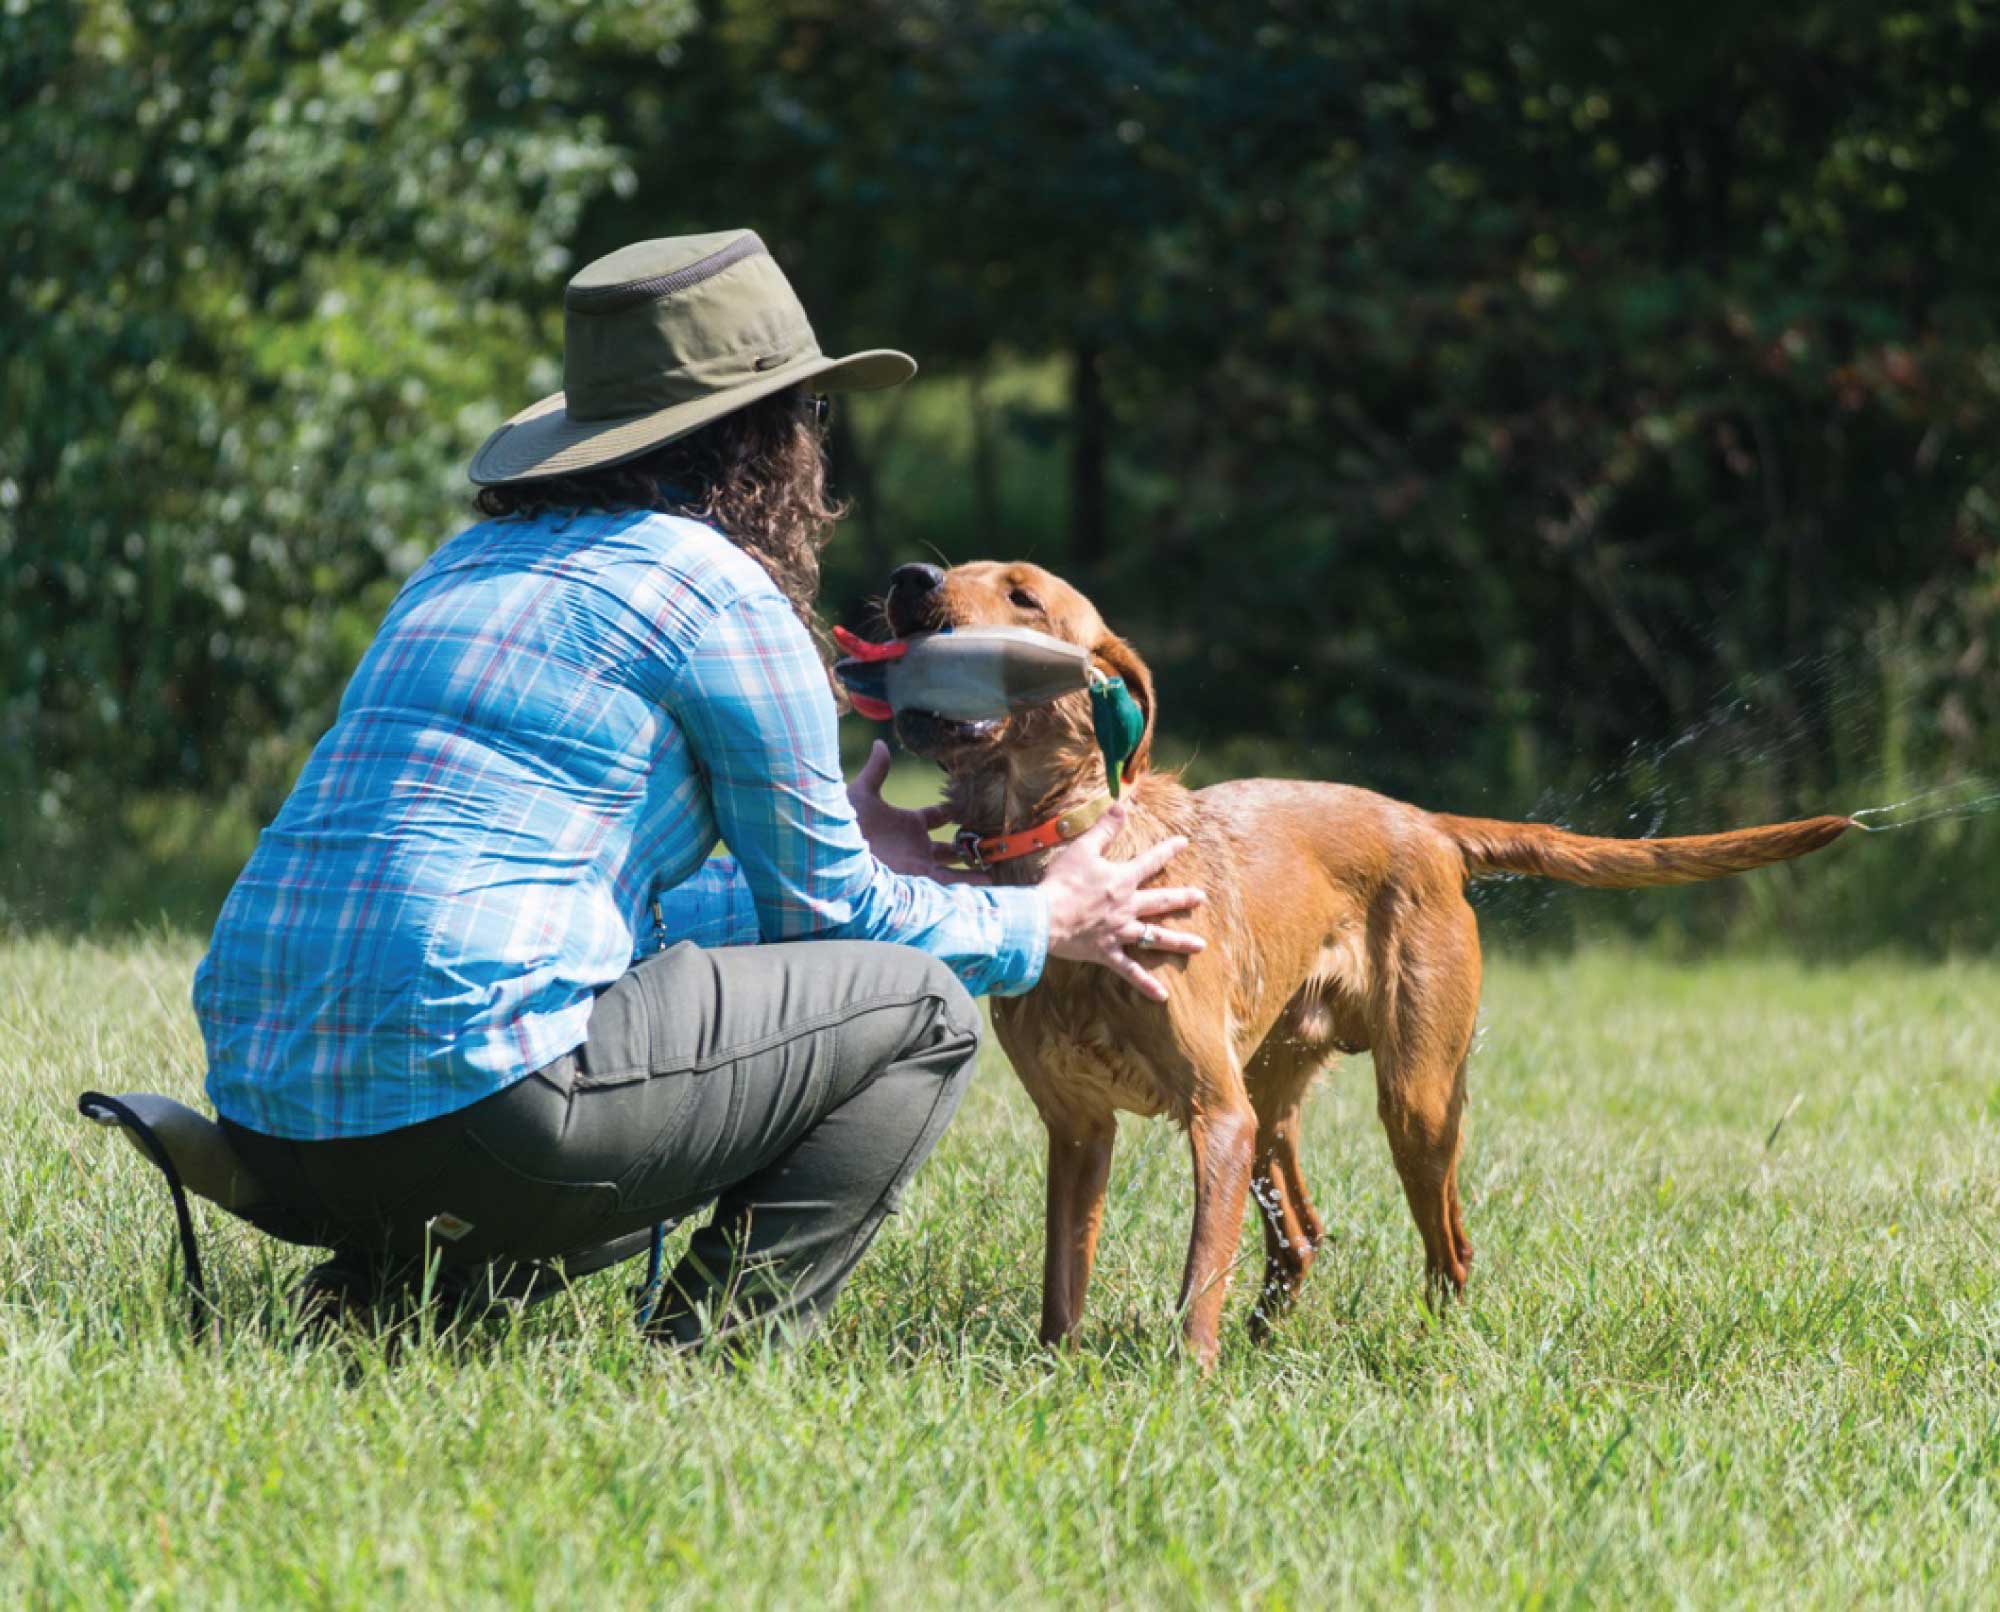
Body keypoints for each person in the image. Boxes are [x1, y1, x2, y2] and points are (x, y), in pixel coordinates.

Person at [193, 229, 1206, 1348]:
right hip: (472, 1122)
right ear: (765, 444)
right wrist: (1040, 919)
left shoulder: (457, 566)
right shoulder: (716, 591)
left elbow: (578, 909)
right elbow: (836, 925)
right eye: (804, 422)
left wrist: (858, 853)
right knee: (916, 1010)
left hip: (263, 1125)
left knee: (657, 1047)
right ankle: (712, 1350)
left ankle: (391, 1296)